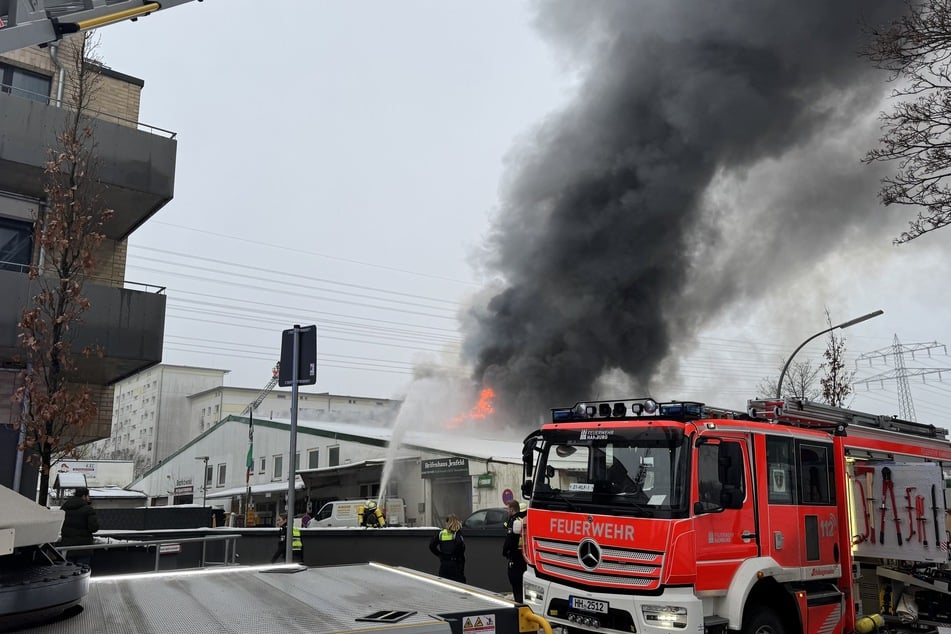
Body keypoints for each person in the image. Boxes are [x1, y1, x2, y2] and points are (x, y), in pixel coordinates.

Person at [58, 486, 99, 568]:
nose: (88, 498)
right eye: (88, 496)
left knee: (68, 571)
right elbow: (93, 528)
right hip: (84, 548)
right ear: (84, 496)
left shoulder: (64, 508)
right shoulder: (88, 509)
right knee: (82, 572)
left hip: (68, 547)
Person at [429, 513, 466, 583]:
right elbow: (460, 544)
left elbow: (431, 546)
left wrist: (440, 555)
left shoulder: (441, 533)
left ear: (447, 522)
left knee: (444, 584)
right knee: (459, 586)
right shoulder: (457, 533)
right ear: (456, 522)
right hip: (455, 565)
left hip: (444, 565)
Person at [502, 500, 527, 602]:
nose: (507, 511)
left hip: (516, 556)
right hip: (526, 555)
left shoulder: (513, 520)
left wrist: (505, 551)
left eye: (508, 509)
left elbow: (510, 539)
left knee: (516, 584)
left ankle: (519, 606)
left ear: (512, 509)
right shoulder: (525, 518)